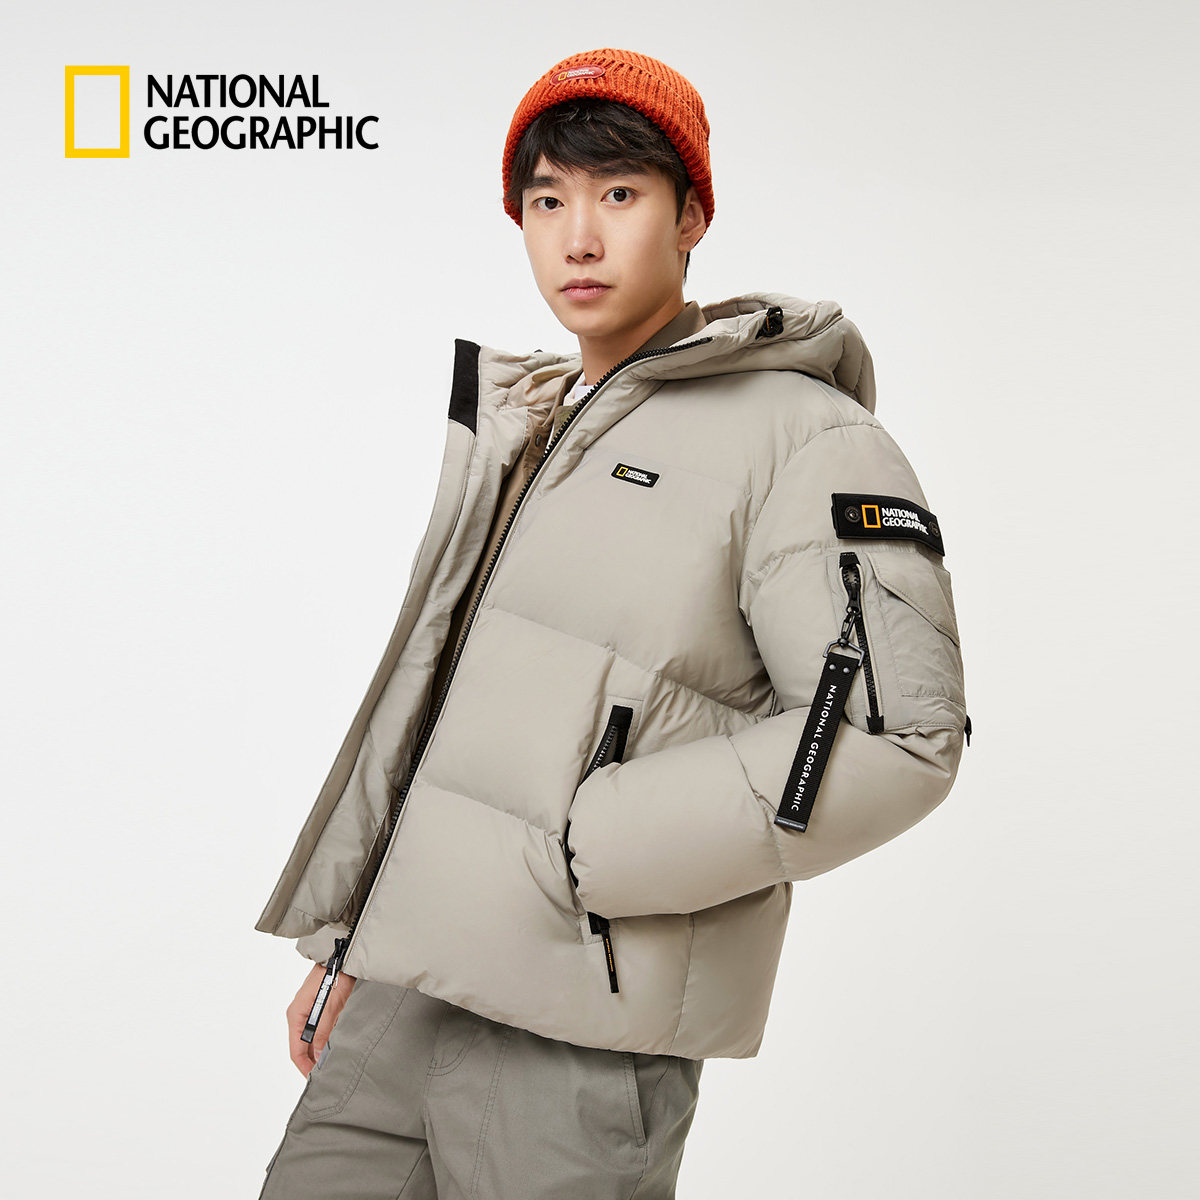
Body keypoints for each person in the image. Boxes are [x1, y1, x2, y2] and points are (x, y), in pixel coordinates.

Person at [254, 47, 970, 1199]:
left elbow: (898, 737)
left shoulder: (806, 437)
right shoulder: (537, 424)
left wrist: (589, 848)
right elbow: (452, 716)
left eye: (619, 194)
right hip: (405, 997)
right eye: (548, 203)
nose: (578, 238)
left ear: (691, 217)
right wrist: (353, 937)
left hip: (578, 1039)